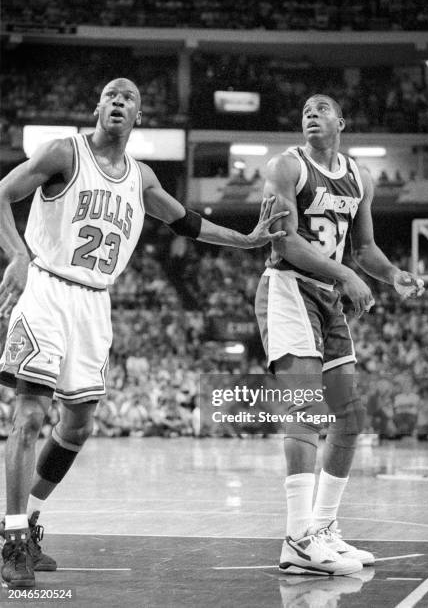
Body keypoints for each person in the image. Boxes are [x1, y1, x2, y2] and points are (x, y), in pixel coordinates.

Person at [0, 78, 287, 588]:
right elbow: (2, 192)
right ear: (97, 106)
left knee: (78, 425)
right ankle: (13, 537)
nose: (117, 101)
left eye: (129, 97)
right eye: (110, 94)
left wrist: (246, 240)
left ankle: (33, 517)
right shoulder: (65, 152)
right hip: (46, 287)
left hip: (95, 302)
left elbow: (188, 223)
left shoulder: (141, 177)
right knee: (30, 412)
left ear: (138, 117)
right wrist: (19, 256)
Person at [255, 93, 424, 576]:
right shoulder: (287, 167)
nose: (312, 112)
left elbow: (365, 247)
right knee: (306, 412)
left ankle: (324, 527)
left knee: (350, 416)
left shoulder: (359, 177)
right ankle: (296, 539)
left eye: (322, 108)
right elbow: (282, 239)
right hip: (287, 287)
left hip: (327, 296)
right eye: (306, 108)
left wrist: (391, 275)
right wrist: (347, 276)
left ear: (341, 122)